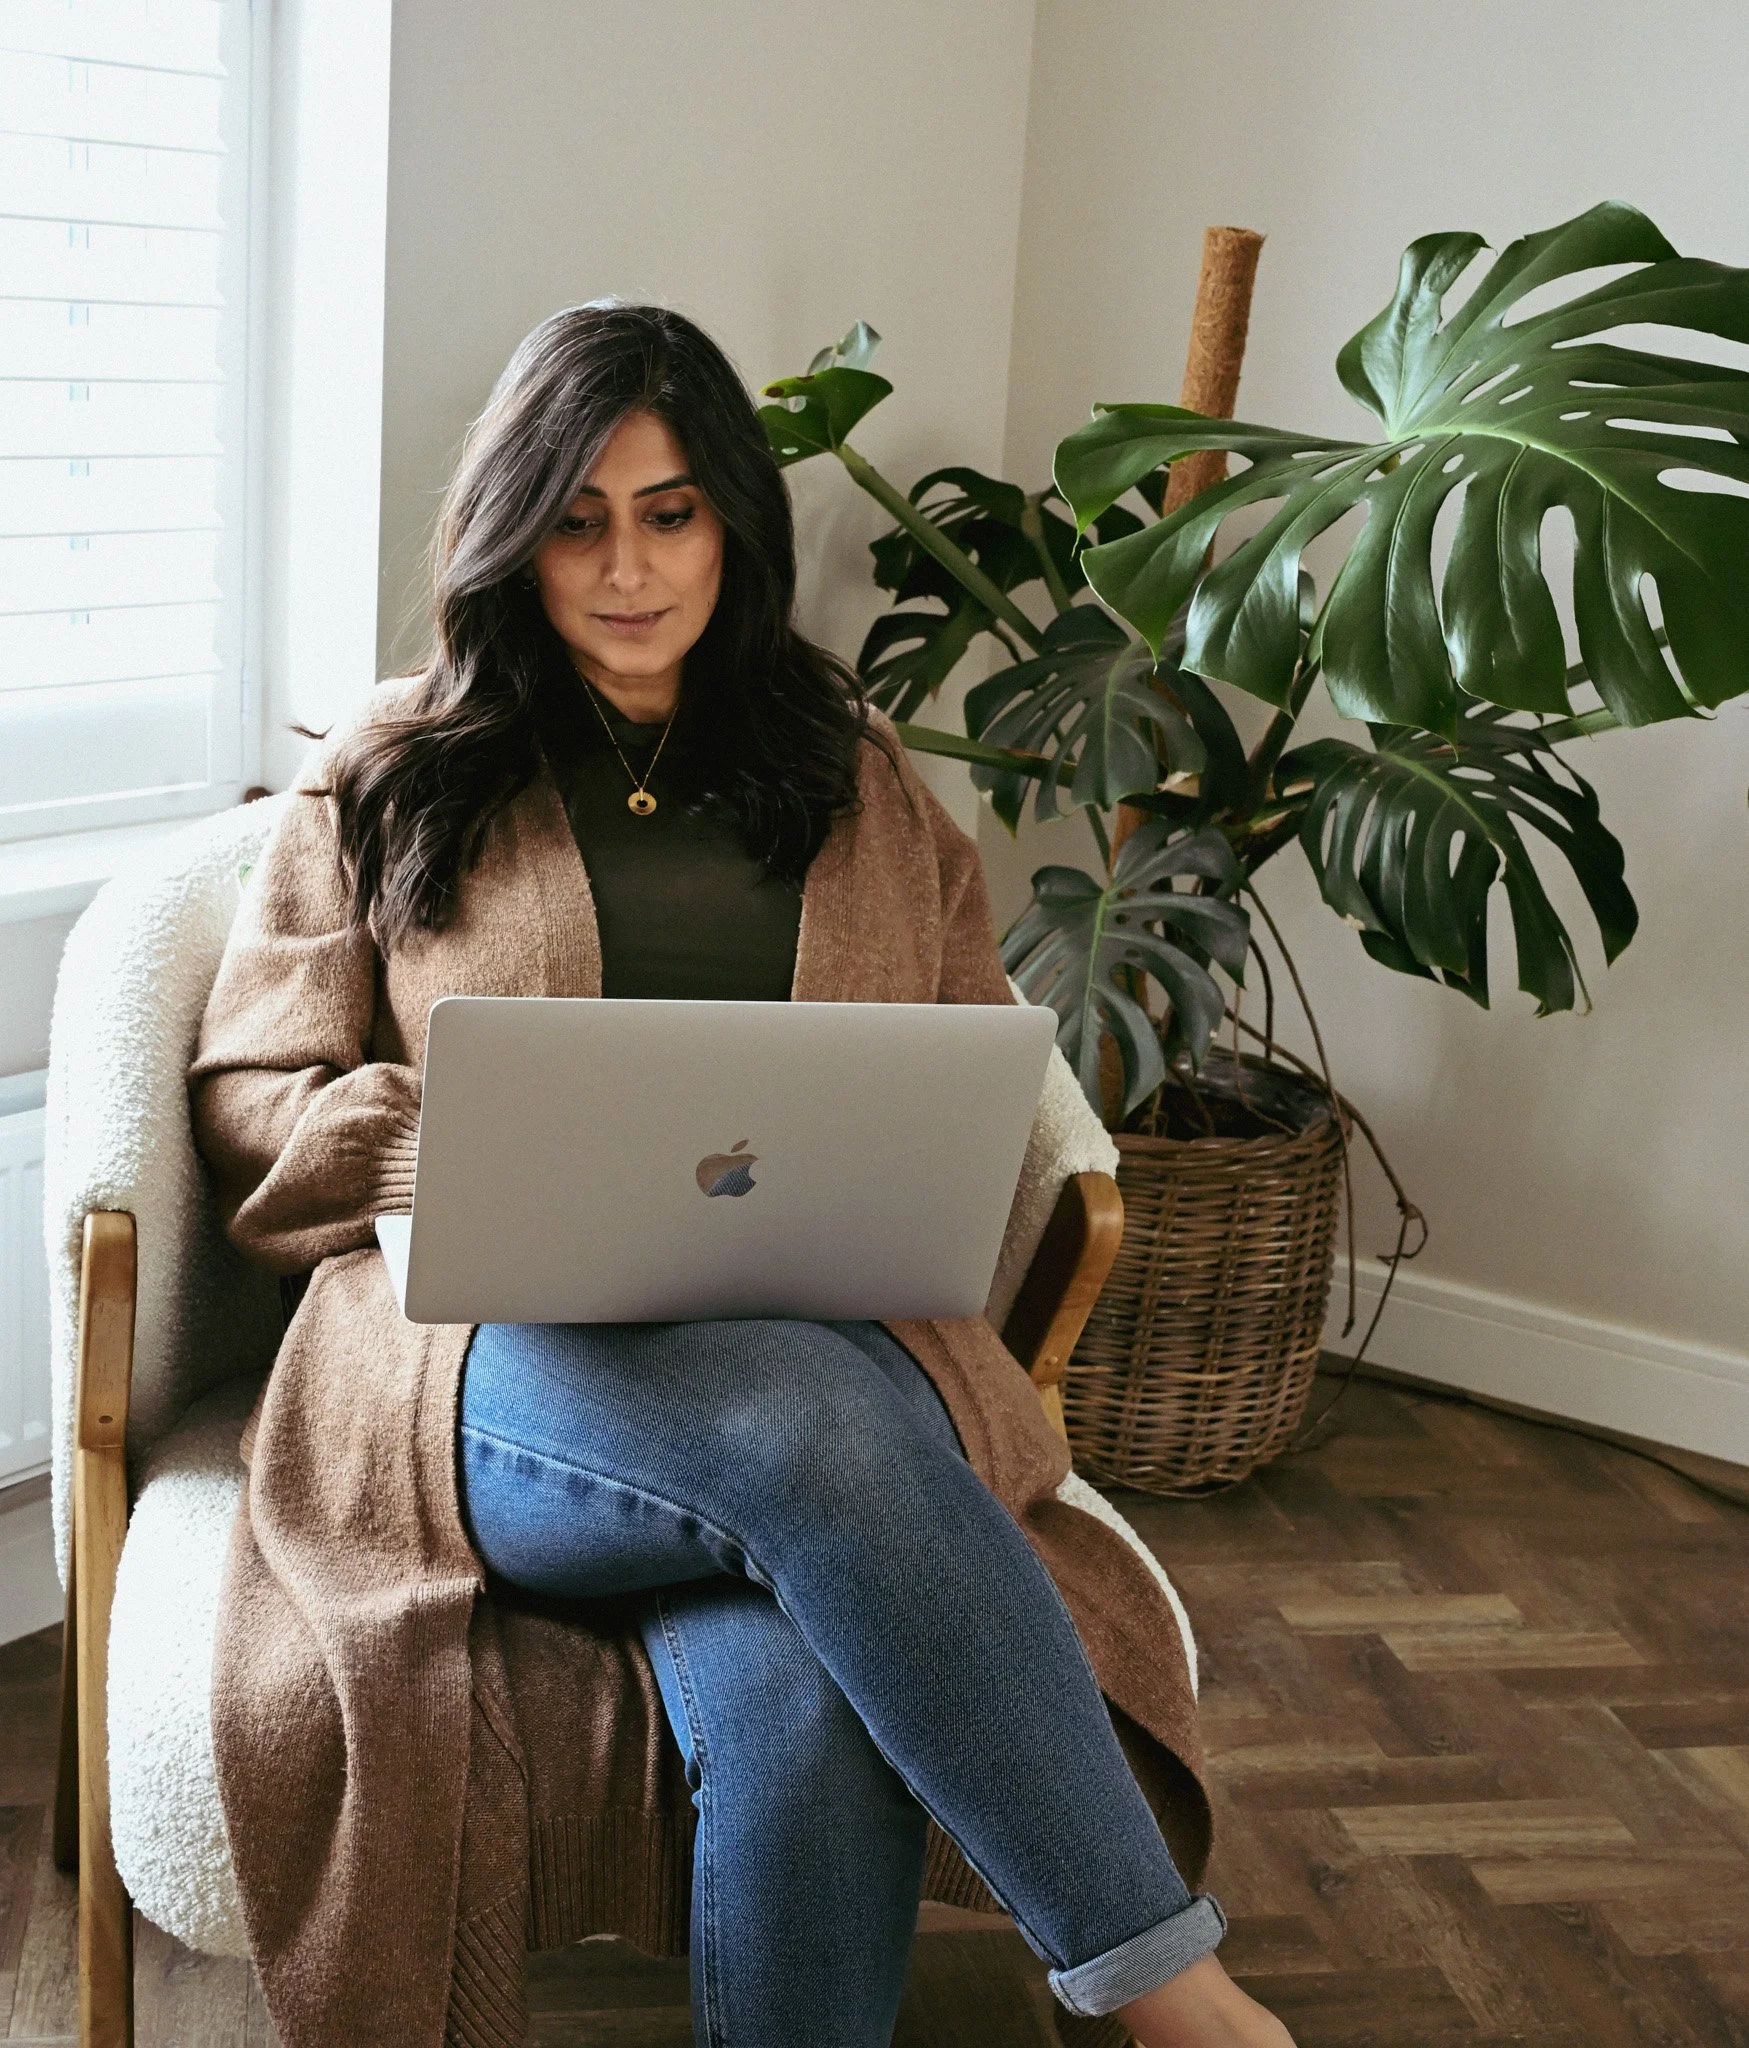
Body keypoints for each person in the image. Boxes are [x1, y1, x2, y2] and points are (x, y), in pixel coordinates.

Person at [194, 299, 1294, 2048]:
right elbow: (254, 1091)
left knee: (805, 1692)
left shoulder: (853, 775)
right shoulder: (394, 769)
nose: (628, 566)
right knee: (813, 1425)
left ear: (738, 525)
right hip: (482, 1370)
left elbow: (960, 1059)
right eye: (578, 517)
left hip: (806, 1338)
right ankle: (1170, 1987)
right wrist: (445, 1137)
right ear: (515, 533)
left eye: (673, 510)